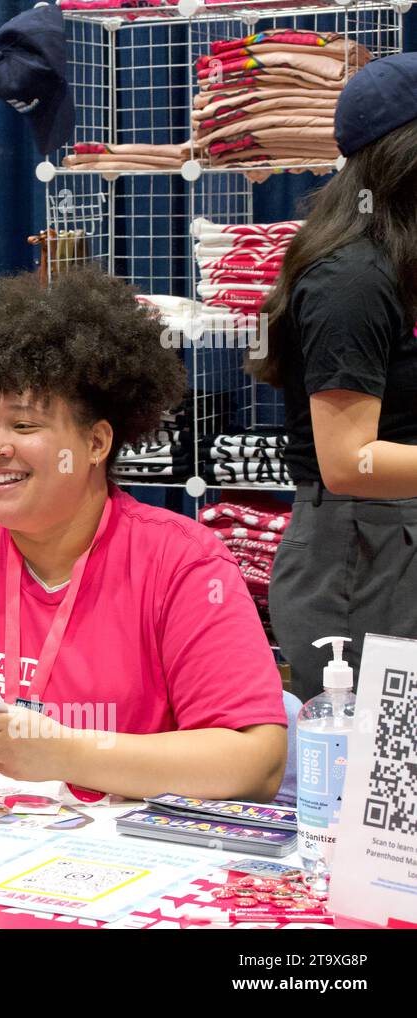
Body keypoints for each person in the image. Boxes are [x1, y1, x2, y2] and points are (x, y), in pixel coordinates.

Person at [0, 267, 288, 802]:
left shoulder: (181, 562)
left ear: (95, 443)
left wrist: (67, 754)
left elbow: (256, 761)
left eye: (23, 426)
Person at [251, 54, 417, 702]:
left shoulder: (394, 269)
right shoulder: (352, 279)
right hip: (364, 561)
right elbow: (349, 462)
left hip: (386, 546)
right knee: (371, 783)